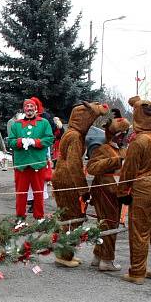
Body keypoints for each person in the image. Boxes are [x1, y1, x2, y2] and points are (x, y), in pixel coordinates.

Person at [118, 96, 151, 284]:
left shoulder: (139, 141)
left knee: (140, 232)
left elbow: (128, 171)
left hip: (144, 191)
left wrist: (123, 192)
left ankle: (137, 272)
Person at [51, 101, 109, 267]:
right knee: (72, 217)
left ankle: (66, 253)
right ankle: (64, 255)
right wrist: (83, 190)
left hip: (63, 176)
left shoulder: (72, 133)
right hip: (67, 179)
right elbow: (74, 165)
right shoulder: (75, 137)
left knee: (69, 216)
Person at [86, 109, 130, 271]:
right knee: (109, 225)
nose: (123, 137)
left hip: (117, 192)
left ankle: (98, 256)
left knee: (105, 224)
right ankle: (107, 260)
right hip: (104, 191)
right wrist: (115, 161)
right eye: (120, 134)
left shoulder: (123, 149)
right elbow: (92, 167)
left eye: (125, 134)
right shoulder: (102, 149)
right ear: (113, 134)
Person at [7, 98, 54, 220]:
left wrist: (36, 142)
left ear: (36, 109)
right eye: (27, 107)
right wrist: (20, 141)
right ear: (24, 110)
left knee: (38, 192)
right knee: (21, 193)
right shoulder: (17, 125)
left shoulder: (44, 123)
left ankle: (39, 216)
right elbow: (10, 141)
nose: (29, 109)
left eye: (31, 107)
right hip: (21, 164)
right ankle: (20, 217)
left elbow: (49, 139)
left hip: (38, 164)